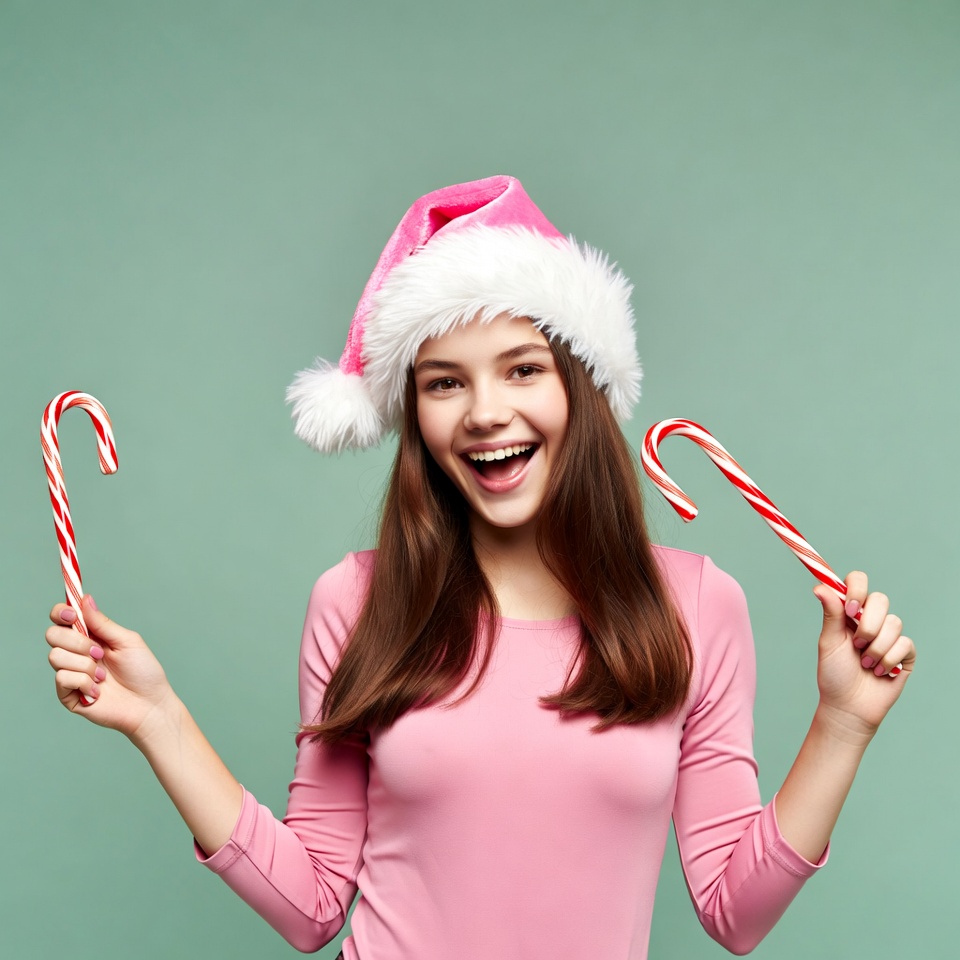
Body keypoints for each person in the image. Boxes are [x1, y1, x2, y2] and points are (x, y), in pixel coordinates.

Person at [44, 176, 914, 960]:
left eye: (523, 368)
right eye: (444, 383)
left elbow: (737, 911)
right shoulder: (356, 602)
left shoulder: (693, 605)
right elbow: (310, 905)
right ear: (412, 412)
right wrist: (156, 715)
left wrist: (843, 723)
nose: (485, 413)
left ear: (582, 385)